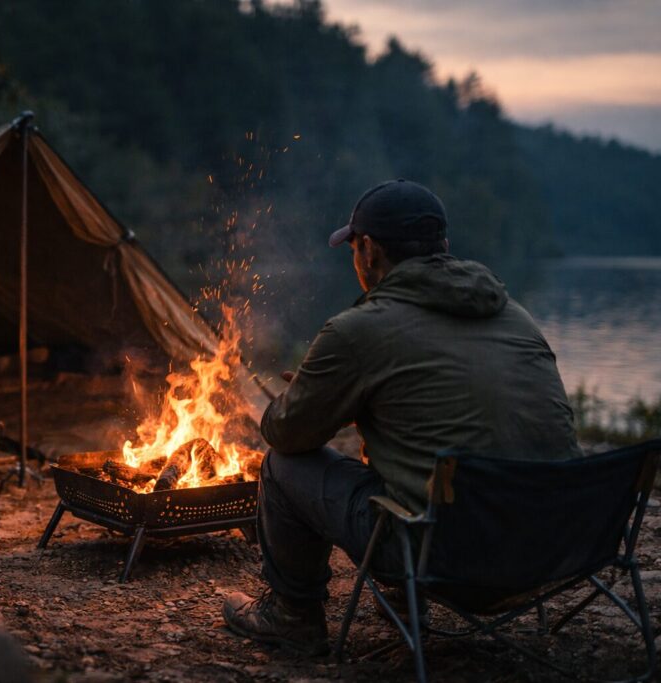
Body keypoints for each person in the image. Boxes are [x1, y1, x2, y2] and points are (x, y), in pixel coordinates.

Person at [223, 179, 583, 656]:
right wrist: (371, 406)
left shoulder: (358, 331)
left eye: (353, 248)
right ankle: (404, 602)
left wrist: (313, 397)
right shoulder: (513, 314)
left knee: (283, 466)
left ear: (369, 250)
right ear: (444, 248)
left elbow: (286, 433)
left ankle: (292, 616)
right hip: (557, 548)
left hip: (450, 561)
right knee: (413, 449)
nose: (355, 260)